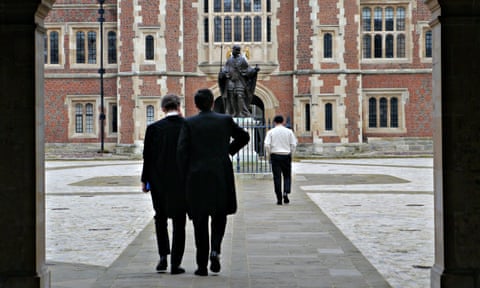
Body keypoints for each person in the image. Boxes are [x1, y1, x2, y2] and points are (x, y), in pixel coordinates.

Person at [177, 88, 250, 276]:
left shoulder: (189, 122)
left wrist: (185, 173)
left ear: (196, 104)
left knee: (200, 220)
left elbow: (182, 152)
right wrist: (228, 151)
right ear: (212, 102)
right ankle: (215, 250)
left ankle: (202, 266)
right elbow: (244, 136)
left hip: (197, 176)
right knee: (219, 214)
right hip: (220, 174)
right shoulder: (224, 120)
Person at [140, 94, 187, 275]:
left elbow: (147, 157)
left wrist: (145, 180)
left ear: (162, 109)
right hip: (181, 182)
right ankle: (176, 263)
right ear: (179, 106)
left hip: (158, 181)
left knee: (160, 218)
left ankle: (163, 257)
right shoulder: (186, 125)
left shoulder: (153, 128)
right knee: (179, 221)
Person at [264, 115, 298, 205]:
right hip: (286, 155)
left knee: (277, 177)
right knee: (287, 176)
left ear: (274, 122)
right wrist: (291, 153)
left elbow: (267, 144)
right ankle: (286, 192)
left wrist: (269, 154)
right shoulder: (289, 131)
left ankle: (279, 198)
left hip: (275, 155)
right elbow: (294, 144)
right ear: (283, 122)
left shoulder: (271, 132)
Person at [218, 44, 259, 117]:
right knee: (231, 97)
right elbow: (225, 69)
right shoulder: (229, 60)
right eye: (234, 49)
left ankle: (243, 112)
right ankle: (233, 112)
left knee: (240, 96)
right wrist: (222, 74)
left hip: (239, 80)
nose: (234, 51)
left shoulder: (242, 60)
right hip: (230, 80)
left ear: (238, 51)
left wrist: (254, 70)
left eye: (235, 50)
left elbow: (248, 70)